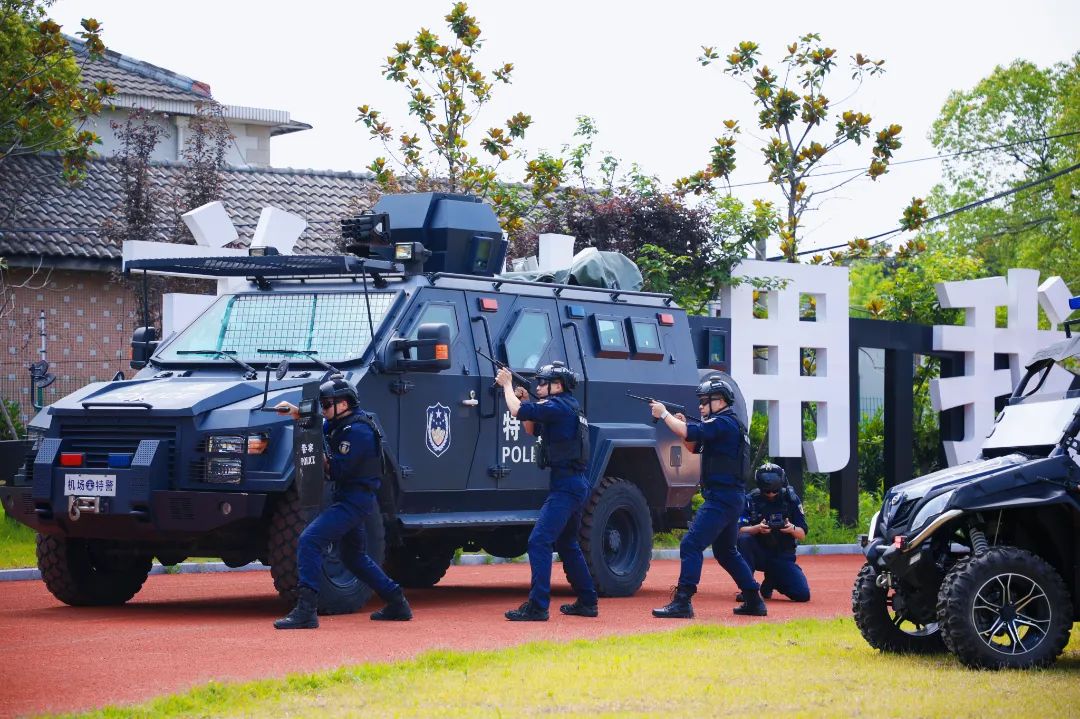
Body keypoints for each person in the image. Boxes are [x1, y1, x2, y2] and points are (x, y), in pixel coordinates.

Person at [272, 376, 412, 629]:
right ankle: (397, 601)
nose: (324, 409)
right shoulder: (341, 423)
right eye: (322, 404)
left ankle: (306, 611)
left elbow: (336, 469)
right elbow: (318, 425)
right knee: (354, 557)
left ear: (344, 403)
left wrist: (318, 454)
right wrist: (297, 414)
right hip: (350, 498)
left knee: (310, 540)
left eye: (327, 404)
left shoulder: (357, 431)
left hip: (354, 501)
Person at [650, 376, 767, 618]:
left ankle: (683, 601)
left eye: (705, 402)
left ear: (721, 401)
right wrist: (681, 427)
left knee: (690, 544)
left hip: (721, 499)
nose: (701, 407)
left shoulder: (723, 423)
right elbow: (693, 446)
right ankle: (754, 599)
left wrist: (664, 414)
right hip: (730, 498)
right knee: (726, 552)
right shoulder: (726, 424)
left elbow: (687, 430)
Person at [495, 361, 599, 621]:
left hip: (566, 487)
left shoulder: (556, 406)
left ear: (558, 385)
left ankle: (538, 606)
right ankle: (588, 601)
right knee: (567, 543)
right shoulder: (566, 406)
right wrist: (528, 397)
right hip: (574, 484)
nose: (539, 385)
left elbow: (517, 411)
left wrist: (507, 385)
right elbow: (531, 428)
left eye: (543, 382)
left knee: (538, 541)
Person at [736, 463, 810, 603]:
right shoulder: (750, 499)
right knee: (744, 539)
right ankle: (748, 588)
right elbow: (738, 529)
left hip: (782, 556)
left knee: (802, 595)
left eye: (774, 491)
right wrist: (757, 528)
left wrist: (791, 528)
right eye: (766, 491)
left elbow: (802, 534)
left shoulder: (791, 499)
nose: (770, 494)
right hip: (760, 554)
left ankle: (772, 580)